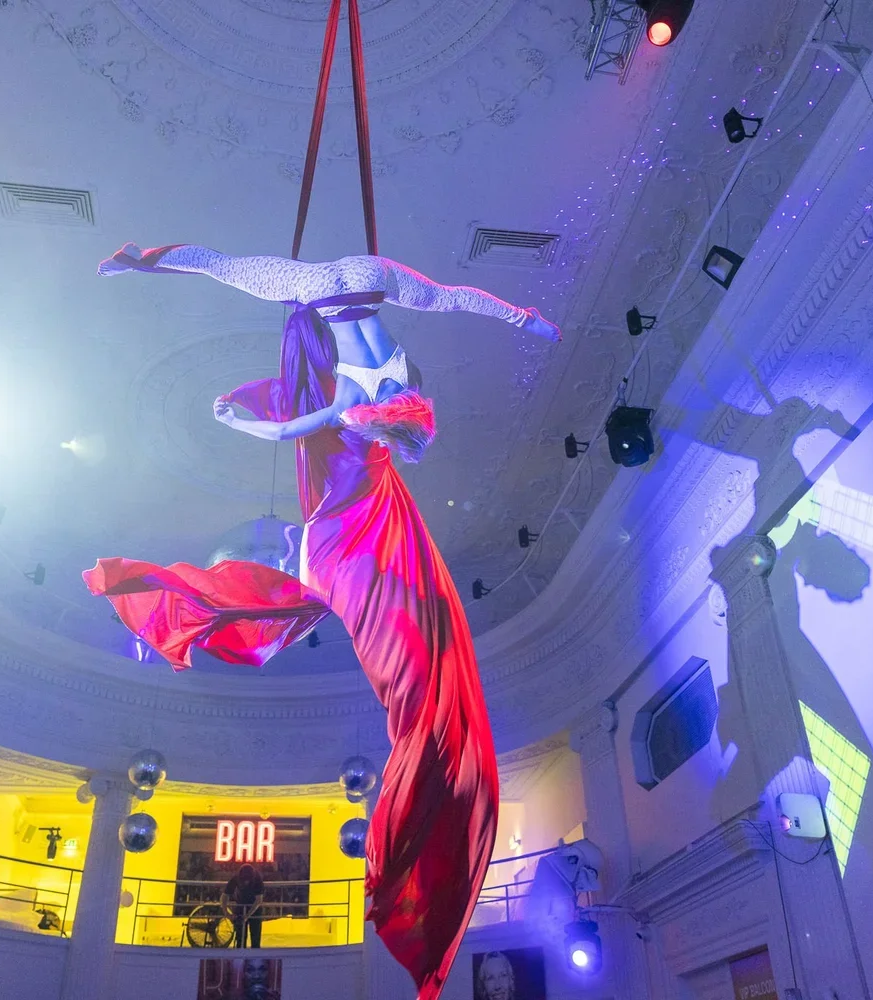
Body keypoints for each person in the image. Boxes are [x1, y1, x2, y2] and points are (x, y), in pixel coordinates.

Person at [87, 242, 557, 1000]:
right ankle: (409, 738)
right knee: (385, 629)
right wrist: (525, 319)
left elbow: (222, 269)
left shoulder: (342, 298)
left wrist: (150, 261)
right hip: (354, 519)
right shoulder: (372, 294)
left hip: (360, 515)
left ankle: (404, 729)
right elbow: (455, 299)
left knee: (380, 624)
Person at [223, 863, 266, 948]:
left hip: (255, 909)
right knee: (240, 938)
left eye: (248, 880)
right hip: (240, 906)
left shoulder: (258, 878)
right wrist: (226, 913)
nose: (246, 882)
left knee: (255, 937)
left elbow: (258, 900)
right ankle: (240, 956)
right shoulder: (236, 877)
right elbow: (225, 895)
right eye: (244, 880)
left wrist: (247, 916)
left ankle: (254, 957)